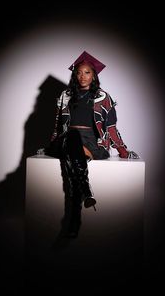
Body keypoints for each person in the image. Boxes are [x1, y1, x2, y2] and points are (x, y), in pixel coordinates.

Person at [38, 51, 139, 237]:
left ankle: (75, 216)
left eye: (87, 73)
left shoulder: (103, 97)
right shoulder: (65, 95)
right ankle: (83, 196)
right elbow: (57, 125)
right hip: (68, 138)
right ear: (74, 75)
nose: (82, 76)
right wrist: (51, 145)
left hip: (92, 144)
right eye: (79, 72)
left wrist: (123, 151)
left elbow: (111, 128)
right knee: (72, 137)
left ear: (94, 76)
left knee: (73, 158)